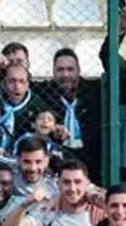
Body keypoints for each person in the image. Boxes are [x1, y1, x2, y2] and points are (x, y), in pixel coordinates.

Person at [34, 47, 103, 182]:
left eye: (70, 69)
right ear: (53, 72)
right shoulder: (46, 91)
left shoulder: (94, 89)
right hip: (58, 158)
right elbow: (19, 84)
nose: (65, 74)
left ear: (79, 70)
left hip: (93, 158)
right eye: (60, 70)